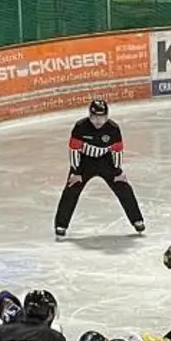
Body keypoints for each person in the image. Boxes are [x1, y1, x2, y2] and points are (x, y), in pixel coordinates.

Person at [53, 98, 145, 238]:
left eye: (101, 117)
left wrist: (118, 172)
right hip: (84, 162)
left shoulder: (113, 129)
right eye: (95, 117)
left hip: (105, 161)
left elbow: (117, 151)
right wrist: (76, 172)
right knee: (71, 190)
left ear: (106, 117)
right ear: (89, 115)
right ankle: (61, 224)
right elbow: (73, 151)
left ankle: (137, 220)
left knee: (123, 187)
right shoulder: (80, 127)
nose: (98, 121)